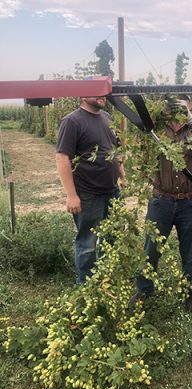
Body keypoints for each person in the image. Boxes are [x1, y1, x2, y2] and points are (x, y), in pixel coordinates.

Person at [133, 95, 192, 311]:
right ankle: (144, 289)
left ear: (189, 105)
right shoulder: (155, 131)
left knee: (190, 251)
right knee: (151, 248)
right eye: (172, 103)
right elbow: (140, 150)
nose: (176, 107)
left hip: (190, 202)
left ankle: (190, 293)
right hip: (161, 200)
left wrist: (191, 119)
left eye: (182, 103)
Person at [56, 95, 125, 284]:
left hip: (112, 191)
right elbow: (62, 158)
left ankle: (106, 281)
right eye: (96, 91)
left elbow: (115, 151)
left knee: (112, 237)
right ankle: (86, 288)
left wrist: (123, 176)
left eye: (103, 92)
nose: (102, 96)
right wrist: (71, 195)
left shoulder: (108, 118)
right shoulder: (72, 121)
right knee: (88, 243)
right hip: (87, 193)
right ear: (83, 95)